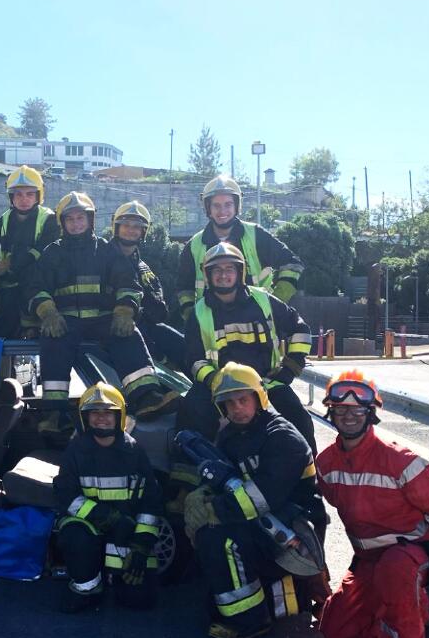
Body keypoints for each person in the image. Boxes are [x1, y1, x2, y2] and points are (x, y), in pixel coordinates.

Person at [315, 370, 429, 638]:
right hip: (368, 560)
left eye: (358, 410)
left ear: (371, 414)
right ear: (331, 411)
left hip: (406, 557)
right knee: (336, 634)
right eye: (341, 409)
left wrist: (428, 549)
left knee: (395, 570)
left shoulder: (400, 460)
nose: (349, 415)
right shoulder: (326, 463)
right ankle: (415, 617)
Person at [184, 363, 325, 638]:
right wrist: (201, 495)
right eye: (229, 403)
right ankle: (250, 604)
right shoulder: (232, 435)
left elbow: (261, 497)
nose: (237, 408)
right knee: (209, 593)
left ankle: (250, 621)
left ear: (259, 398)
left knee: (220, 540)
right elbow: (225, 479)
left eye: (243, 399)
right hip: (261, 520)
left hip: (292, 530)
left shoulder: (283, 437)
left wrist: (215, 510)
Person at [27, 191, 177, 432]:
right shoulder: (52, 253)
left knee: (129, 336)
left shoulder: (107, 250)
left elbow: (128, 283)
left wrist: (124, 312)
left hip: (102, 320)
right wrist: (48, 313)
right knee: (53, 344)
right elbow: (35, 288)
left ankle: (147, 397)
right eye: (71, 219)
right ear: (62, 223)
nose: (76, 224)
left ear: (90, 221)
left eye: (81, 218)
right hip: (66, 322)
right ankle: (54, 414)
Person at [178, 242, 316, 454]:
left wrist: (290, 369)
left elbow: (300, 329)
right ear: (207, 275)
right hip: (220, 388)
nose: (223, 275)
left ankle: (311, 479)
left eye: (229, 269)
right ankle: (188, 481)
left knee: (299, 419)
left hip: (266, 383)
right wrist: (214, 381)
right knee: (190, 412)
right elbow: (195, 360)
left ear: (240, 272)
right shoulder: (198, 312)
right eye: (217, 270)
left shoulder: (263, 300)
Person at [53, 383, 163, 612]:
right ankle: (87, 590)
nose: (101, 419)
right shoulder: (74, 452)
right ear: (85, 418)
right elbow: (67, 497)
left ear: (119, 416)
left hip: (127, 530)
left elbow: (150, 501)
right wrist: (108, 517)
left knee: (139, 601)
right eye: (94, 412)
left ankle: (114, 576)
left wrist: (142, 544)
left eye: (107, 413)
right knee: (75, 536)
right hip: (88, 524)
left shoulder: (134, 452)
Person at [176, 174, 304, 323]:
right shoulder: (194, 245)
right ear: (208, 208)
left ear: (237, 206)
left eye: (228, 204)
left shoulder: (256, 235)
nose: (222, 210)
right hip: (212, 324)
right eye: (216, 205)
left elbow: (293, 265)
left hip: (257, 320)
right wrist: (193, 318)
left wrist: (275, 304)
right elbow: (184, 289)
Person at [0, 165, 60, 339]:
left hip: (39, 291)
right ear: (11, 197)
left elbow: (44, 254)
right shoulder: (1, 223)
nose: (24, 199)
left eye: (30, 194)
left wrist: (10, 263)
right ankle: (5, 367)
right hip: (6, 294)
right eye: (18, 194)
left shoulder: (50, 220)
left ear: (38, 195)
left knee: (47, 340)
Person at [110, 200, 185, 369]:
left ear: (143, 231)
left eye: (137, 226)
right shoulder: (104, 259)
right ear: (116, 227)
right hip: (119, 330)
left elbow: (158, 305)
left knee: (185, 349)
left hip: (151, 327)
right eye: (126, 225)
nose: (131, 230)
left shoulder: (142, 265)